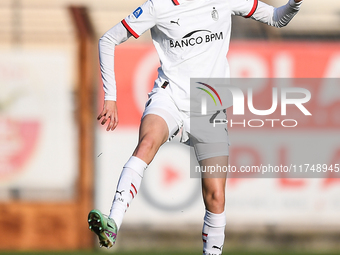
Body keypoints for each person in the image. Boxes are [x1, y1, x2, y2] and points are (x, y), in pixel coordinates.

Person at [88, 0, 302, 254]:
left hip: (209, 107)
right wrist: (110, 97)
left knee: (216, 196)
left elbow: (277, 18)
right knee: (147, 143)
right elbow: (108, 40)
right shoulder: (159, 6)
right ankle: (113, 222)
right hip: (170, 98)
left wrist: (294, 3)